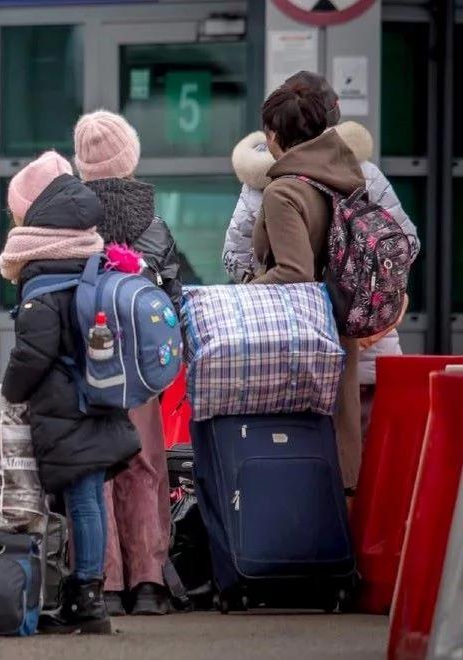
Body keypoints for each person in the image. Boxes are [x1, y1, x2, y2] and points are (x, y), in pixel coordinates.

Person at [224, 71, 420, 438]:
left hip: (293, 345)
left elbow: (235, 258)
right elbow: (404, 245)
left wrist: (252, 296)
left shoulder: (267, 185)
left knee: (304, 453)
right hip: (369, 344)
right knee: (366, 465)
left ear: (274, 131)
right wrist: (381, 308)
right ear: (333, 116)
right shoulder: (365, 175)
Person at [0, 151, 140, 635]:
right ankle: (87, 594)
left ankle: (87, 600)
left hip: (67, 406)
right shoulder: (89, 260)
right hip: (97, 394)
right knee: (91, 498)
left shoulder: (45, 278)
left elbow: (33, 352)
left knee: (82, 500)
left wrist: (8, 392)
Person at [72, 110, 181, 616]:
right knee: (144, 464)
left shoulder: (69, 216)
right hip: (140, 370)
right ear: (129, 159)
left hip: (86, 364)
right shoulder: (152, 222)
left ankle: (104, 580)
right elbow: (172, 299)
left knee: (97, 465)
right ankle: (150, 582)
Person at [249, 79, 367, 489]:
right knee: (341, 445)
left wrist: (240, 294)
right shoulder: (340, 178)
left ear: (274, 135)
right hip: (340, 330)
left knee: (298, 454)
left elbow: (293, 273)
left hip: (300, 339)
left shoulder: (284, 191)